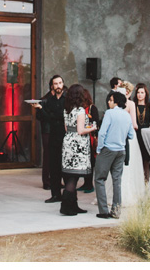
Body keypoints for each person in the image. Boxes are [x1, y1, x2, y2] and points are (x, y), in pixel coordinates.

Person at [94, 90, 134, 219]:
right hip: (121, 150)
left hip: (108, 149)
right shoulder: (127, 115)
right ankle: (116, 211)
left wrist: (99, 148)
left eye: (110, 100)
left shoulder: (110, 113)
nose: (108, 102)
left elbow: (102, 132)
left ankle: (103, 210)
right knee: (117, 181)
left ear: (116, 102)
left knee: (100, 178)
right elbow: (131, 135)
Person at [59, 84, 96, 216]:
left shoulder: (66, 110)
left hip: (68, 142)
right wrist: (92, 128)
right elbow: (81, 130)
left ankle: (73, 205)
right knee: (73, 178)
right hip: (78, 146)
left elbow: (66, 128)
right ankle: (66, 206)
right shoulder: (80, 111)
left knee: (70, 175)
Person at [33, 74, 66, 203]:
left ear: (63, 84)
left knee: (64, 167)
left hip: (64, 136)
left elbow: (57, 117)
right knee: (53, 166)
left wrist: (43, 110)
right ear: (52, 86)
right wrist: (40, 110)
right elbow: (45, 118)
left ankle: (66, 195)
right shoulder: (50, 100)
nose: (58, 86)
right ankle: (55, 194)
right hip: (52, 136)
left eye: (60, 83)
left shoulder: (66, 100)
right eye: (55, 84)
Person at [77, 87, 100, 193]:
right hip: (82, 138)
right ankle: (86, 183)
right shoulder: (79, 109)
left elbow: (95, 122)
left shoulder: (92, 108)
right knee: (85, 162)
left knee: (90, 162)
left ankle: (89, 184)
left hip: (90, 137)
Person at [132, 83, 150, 181]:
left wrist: (147, 132)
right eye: (138, 92)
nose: (140, 95)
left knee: (145, 159)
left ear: (146, 94)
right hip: (135, 133)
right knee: (135, 158)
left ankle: (146, 180)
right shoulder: (133, 105)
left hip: (146, 134)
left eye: (142, 92)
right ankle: (136, 180)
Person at [36, 79, 56, 190]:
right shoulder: (44, 100)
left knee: (56, 156)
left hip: (57, 130)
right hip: (47, 130)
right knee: (47, 156)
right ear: (51, 86)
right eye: (55, 84)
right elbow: (38, 117)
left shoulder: (59, 99)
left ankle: (55, 180)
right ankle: (47, 181)